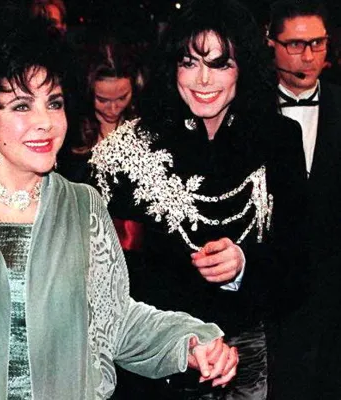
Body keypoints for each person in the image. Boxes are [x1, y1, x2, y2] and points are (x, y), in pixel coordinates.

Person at [0, 8, 238, 399]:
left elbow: (115, 321)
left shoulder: (83, 208)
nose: (45, 121)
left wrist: (187, 343)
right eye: (22, 106)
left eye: (55, 103)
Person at [91, 0, 306, 398]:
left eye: (220, 64)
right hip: (157, 367)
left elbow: (299, 262)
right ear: (171, 67)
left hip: (245, 362)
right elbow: (109, 278)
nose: (203, 80)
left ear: (243, 67)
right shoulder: (129, 149)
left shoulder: (279, 140)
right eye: (189, 63)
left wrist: (243, 265)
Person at [267, 1, 341, 398]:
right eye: (296, 44)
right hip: (269, 295)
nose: (309, 56)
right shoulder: (248, 108)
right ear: (271, 44)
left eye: (318, 43)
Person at [59, 34, 142, 184]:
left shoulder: (143, 123)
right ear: (87, 92)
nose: (113, 109)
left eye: (122, 98)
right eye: (102, 100)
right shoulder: (70, 129)